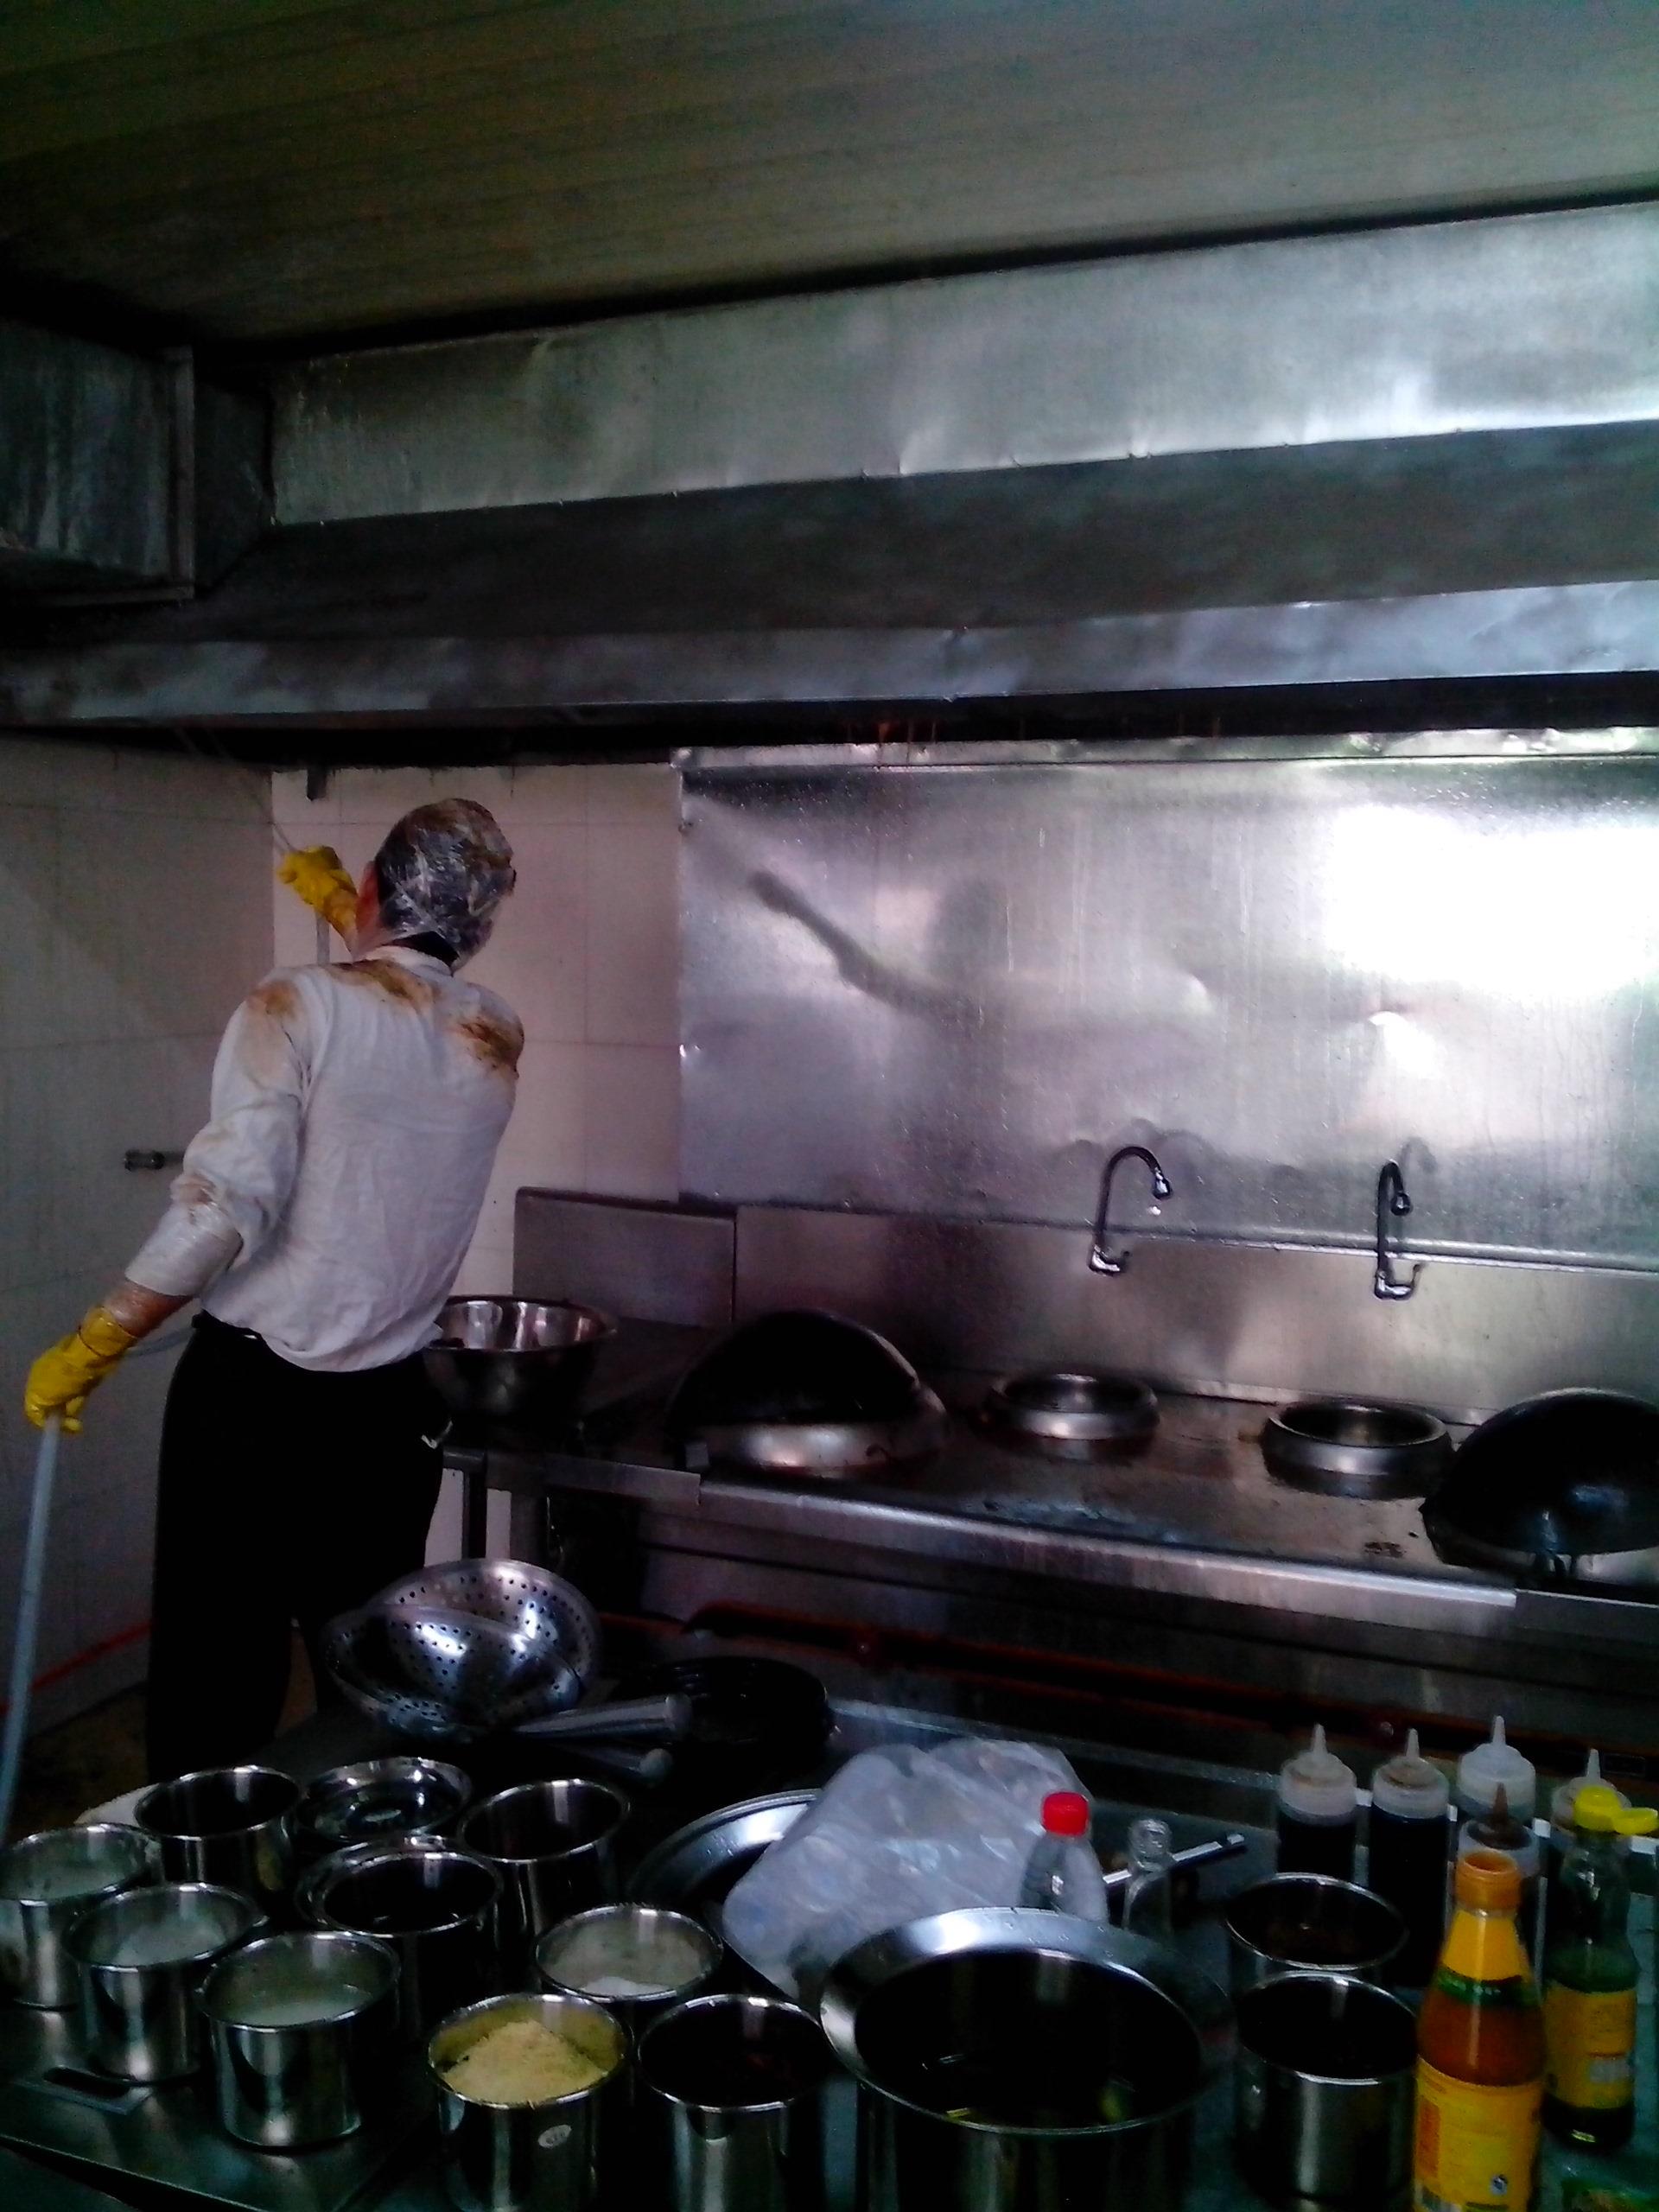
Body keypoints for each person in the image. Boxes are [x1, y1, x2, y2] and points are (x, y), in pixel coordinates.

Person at [24, 798, 522, 1779]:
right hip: (388, 1415)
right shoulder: (494, 1032)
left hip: (253, 1408)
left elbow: (223, 1206)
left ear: (376, 885)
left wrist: (99, 1339)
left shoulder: (293, 1003)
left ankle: (211, 1857)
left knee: (217, 1677)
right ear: (478, 918)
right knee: (370, 1675)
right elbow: (409, 1002)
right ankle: (368, 1850)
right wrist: (352, 910)